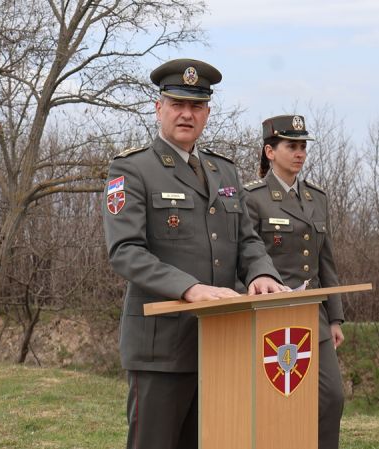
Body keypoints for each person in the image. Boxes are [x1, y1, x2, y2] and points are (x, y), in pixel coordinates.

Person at [102, 58, 287, 449]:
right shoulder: (133, 169)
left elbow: (247, 240)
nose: (187, 114)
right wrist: (190, 288)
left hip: (220, 343)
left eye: (197, 106)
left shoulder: (225, 171)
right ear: (159, 108)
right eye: (177, 104)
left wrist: (261, 273)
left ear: (207, 113)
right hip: (161, 347)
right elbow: (125, 251)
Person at [243, 114, 346, 449]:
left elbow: (325, 261)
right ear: (270, 151)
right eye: (291, 146)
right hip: (270, 316)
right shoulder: (252, 198)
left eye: (303, 146)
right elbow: (245, 256)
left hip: (313, 314)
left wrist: (335, 317)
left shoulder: (317, 198)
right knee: (277, 401)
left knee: (331, 397)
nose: (300, 153)